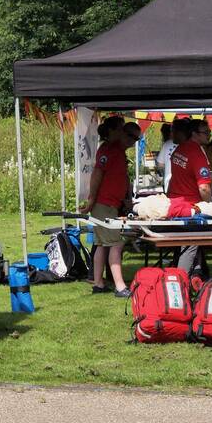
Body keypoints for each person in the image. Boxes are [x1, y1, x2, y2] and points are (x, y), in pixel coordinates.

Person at [80, 116, 138, 298]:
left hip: (110, 203)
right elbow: (97, 174)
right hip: (104, 204)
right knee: (116, 243)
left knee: (102, 244)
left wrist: (125, 198)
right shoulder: (108, 150)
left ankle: (98, 283)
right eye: (122, 130)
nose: (124, 134)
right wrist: (91, 200)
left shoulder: (116, 151)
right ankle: (120, 287)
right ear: (113, 131)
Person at [167, 119, 212, 277]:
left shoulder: (179, 149)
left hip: (174, 205)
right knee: (191, 243)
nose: (209, 135)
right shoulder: (197, 154)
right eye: (205, 132)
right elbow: (204, 187)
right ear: (194, 134)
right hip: (190, 209)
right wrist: (209, 206)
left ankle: (198, 274)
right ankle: (179, 281)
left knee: (187, 245)